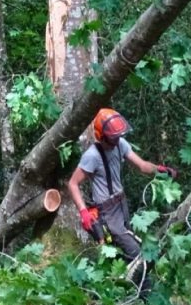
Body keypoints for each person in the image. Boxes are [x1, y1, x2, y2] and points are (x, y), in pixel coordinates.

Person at [67, 108, 177, 290]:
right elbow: (73, 183)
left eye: (118, 136)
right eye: (112, 137)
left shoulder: (121, 144)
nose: (116, 140)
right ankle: (146, 294)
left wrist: (159, 170)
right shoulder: (92, 156)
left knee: (123, 254)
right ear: (101, 136)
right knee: (135, 251)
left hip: (122, 204)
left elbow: (141, 165)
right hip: (107, 212)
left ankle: (123, 289)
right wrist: (83, 211)